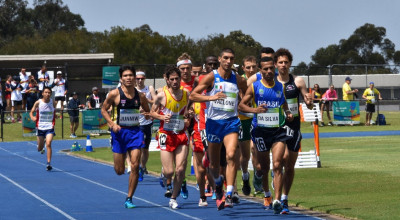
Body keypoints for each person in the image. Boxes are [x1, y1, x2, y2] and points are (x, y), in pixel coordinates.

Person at [190, 48, 247, 210]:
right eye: (226, 58)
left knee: (231, 155)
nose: (228, 61)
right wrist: (211, 97)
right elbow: (193, 95)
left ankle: (229, 193)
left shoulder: (237, 79)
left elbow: (248, 93)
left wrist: (245, 104)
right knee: (214, 165)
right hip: (214, 124)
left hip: (231, 122)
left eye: (231, 58)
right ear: (220, 59)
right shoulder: (211, 77)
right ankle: (217, 183)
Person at [239, 56, 294, 214]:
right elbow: (241, 105)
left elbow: (283, 102)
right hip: (261, 131)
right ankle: (267, 195)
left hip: (278, 130)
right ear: (260, 71)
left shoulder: (280, 86)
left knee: (278, 165)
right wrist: (255, 110)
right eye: (266, 69)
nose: (269, 71)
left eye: (271, 68)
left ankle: (277, 200)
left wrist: (288, 112)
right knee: (264, 167)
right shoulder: (255, 87)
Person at [101, 64, 150, 209]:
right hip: (119, 134)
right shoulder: (114, 94)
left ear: (135, 77)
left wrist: (147, 114)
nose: (128, 78)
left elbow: (147, 111)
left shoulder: (141, 96)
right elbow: (103, 109)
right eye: (125, 76)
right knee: (119, 170)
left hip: (135, 132)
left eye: (131, 75)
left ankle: (129, 198)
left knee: (135, 166)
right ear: (121, 78)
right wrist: (111, 123)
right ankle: (120, 162)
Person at [275, 48, 313, 214]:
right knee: (280, 160)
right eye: (280, 62)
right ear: (276, 64)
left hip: (294, 128)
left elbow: (308, 102)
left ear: (290, 64)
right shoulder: (271, 83)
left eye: (286, 62)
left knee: (289, 166)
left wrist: (309, 101)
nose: (283, 65)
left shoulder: (298, 82)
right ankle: (276, 196)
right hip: (277, 127)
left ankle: (284, 198)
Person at [150, 66, 191, 209]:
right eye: (172, 79)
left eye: (177, 78)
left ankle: (173, 198)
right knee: (169, 172)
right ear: (167, 80)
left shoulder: (186, 94)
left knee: (180, 170)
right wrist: (162, 116)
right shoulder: (162, 95)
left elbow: (187, 111)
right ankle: (164, 173)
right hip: (166, 134)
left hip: (180, 134)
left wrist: (188, 116)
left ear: (180, 79)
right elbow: (152, 113)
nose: (175, 81)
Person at [238, 55, 258, 196]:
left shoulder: (262, 80)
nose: (251, 69)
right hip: (243, 119)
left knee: (255, 148)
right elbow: (241, 104)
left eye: (253, 67)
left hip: (257, 120)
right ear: (243, 68)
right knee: (245, 156)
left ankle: (258, 176)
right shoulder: (241, 81)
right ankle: (245, 175)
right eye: (248, 67)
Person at [135, 70, 156, 180]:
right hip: (135, 122)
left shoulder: (149, 88)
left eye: (141, 78)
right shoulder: (132, 90)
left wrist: (146, 101)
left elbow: (156, 101)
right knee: (137, 147)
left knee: (145, 148)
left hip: (147, 122)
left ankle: (142, 166)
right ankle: (136, 167)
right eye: (137, 78)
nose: (139, 80)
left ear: (144, 79)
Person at [30, 87, 57, 171]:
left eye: (49, 93)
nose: (47, 94)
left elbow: (54, 110)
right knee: (40, 149)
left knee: (48, 144)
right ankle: (41, 145)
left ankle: (48, 164)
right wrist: (32, 117)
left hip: (49, 127)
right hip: (40, 127)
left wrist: (55, 115)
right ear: (42, 93)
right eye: (46, 92)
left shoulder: (53, 102)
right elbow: (31, 111)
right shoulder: (38, 102)